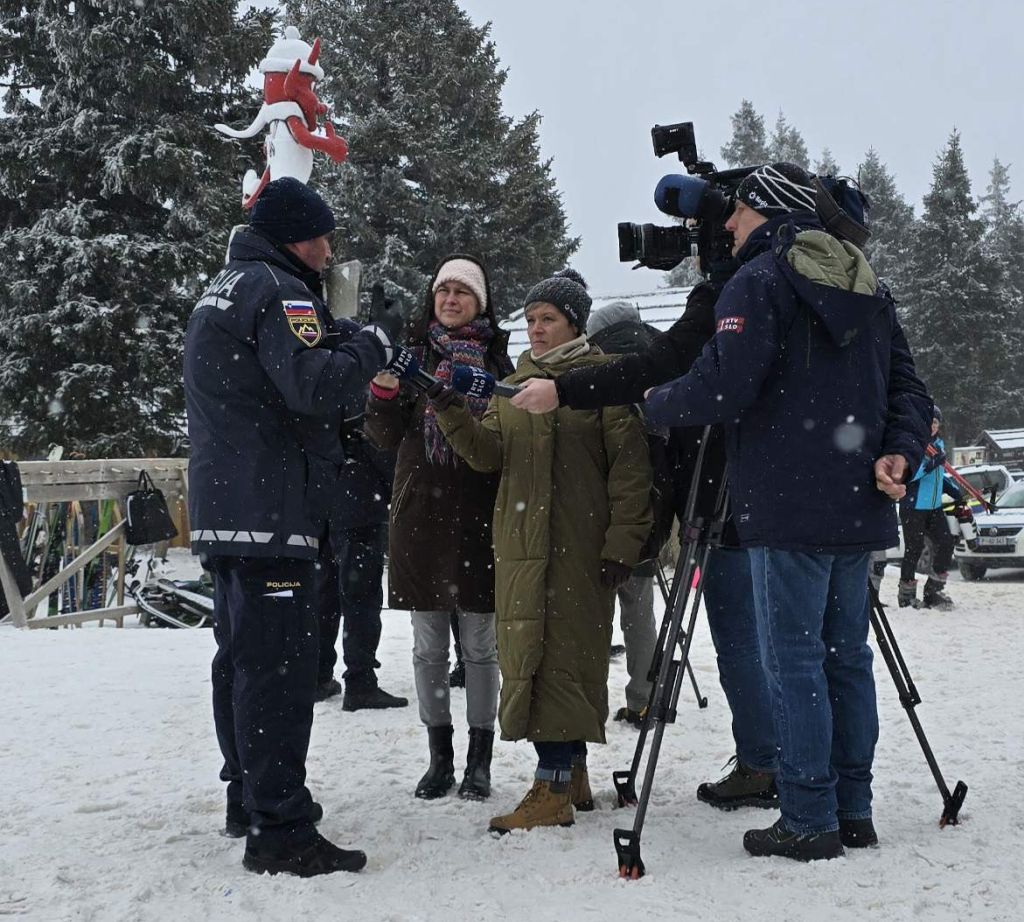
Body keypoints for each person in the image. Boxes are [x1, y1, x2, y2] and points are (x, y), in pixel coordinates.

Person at [642, 163, 932, 860]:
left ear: (765, 211)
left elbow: (725, 387)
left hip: (785, 499)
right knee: (845, 659)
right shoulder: (867, 283)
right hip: (858, 497)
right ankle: (851, 807)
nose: (727, 225)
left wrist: (652, 403)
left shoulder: (759, 280)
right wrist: (899, 453)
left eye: (736, 212)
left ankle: (807, 815)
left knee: (795, 662)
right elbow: (909, 389)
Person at [184, 176, 403, 877]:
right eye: (322, 236)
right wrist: (371, 345)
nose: (329, 248)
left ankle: (247, 796)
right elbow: (314, 384)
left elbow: (276, 369)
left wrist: (338, 335)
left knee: (241, 661)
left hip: (228, 508)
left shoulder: (227, 287)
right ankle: (282, 829)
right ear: (293, 237)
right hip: (273, 510)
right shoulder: (282, 291)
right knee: (279, 673)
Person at [512, 285, 781, 810]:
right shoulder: (700, 341)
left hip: (714, 508)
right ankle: (791, 760)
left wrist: (642, 540)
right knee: (785, 641)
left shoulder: (642, 372)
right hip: (756, 497)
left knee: (741, 641)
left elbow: (647, 468)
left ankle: (764, 761)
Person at [429, 269, 653, 834]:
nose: (535, 329)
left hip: (580, 549)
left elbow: (631, 471)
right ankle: (570, 773)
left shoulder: (602, 381)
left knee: (566, 657)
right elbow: (486, 455)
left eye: (547, 319)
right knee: (532, 654)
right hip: (522, 547)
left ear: (574, 322)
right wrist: (448, 407)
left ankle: (550, 787)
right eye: (530, 320)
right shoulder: (517, 383)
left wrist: (623, 544)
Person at [364, 255, 510, 801]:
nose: (450, 299)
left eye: (463, 293)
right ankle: (439, 756)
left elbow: (508, 437)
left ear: (481, 303)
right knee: (427, 649)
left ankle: (480, 758)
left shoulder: (498, 358)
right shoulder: (411, 357)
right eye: (443, 290)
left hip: (480, 513)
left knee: (480, 647)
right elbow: (383, 434)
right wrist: (380, 391)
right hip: (420, 513)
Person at [583, 301, 661, 727]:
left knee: (595, 611)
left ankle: (585, 705)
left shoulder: (602, 370)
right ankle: (645, 697)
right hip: (651, 508)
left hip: (600, 510)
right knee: (639, 610)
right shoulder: (657, 358)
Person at [314, 401, 408, 710]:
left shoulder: (321, 386)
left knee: (324, 596)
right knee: (361, 600)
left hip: (324, 504)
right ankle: (360, 680)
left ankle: (318, 675)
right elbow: (383, 452)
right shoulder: (363, 393)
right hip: (360, 506)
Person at [898, 407, 963, 610]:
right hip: (913, 507)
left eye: (936, 423)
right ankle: (906, 596)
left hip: (934, 507)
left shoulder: (938, 446)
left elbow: (938, 477)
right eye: (929, 422)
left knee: (946, 543)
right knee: (914, 549)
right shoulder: (914, 445)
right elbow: (906, 476)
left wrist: (954, 491)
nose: (933, 426)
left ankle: (933, 590)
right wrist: (929, 465)